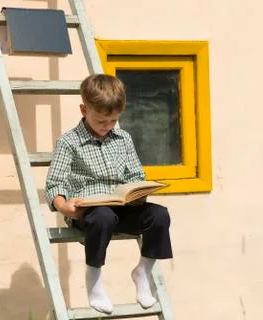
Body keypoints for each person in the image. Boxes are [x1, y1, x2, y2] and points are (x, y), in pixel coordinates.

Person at [45, 74, 173, 314]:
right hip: (89, 211)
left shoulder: (123, 139)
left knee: (159, 216)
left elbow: (136, 173)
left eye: (113, 121)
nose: (108, 126)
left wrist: (139, 192)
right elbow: (54, 184)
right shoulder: (69, 142)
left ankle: (142, 272)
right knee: (103, 216)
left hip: (123, 207)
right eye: (101, 120)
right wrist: (64, 207)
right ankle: (94, 278)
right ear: (84, 110)